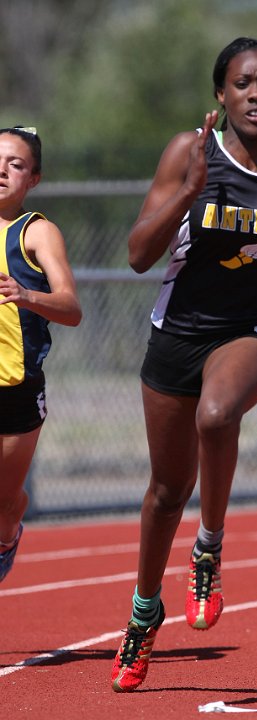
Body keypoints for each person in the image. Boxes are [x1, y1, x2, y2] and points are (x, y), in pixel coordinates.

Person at [111, 37, 257, 693]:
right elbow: (136, 255)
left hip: (254, 331)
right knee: (162, 494)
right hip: (177, 336)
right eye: (244, 83)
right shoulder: (191, 153)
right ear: (221, 93)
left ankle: (209, 548)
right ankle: (142, 616)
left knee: (218, 417)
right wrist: (188, 192)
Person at [0, 126, 82, 583]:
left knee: (5, 501)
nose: (1, 171)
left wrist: (26, 294)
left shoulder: (37, 232)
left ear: (33, 179)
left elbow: (71, 308)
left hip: (16, 386)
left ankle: (9, 533)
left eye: (15, 164)